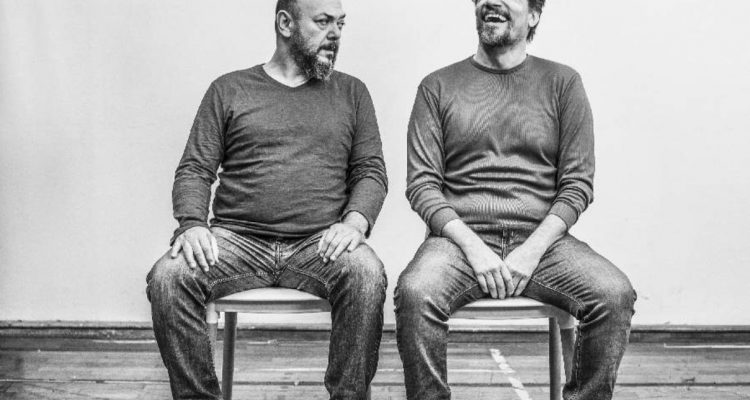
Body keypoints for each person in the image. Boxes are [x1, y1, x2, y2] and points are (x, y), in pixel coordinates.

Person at [146, 0, 388, 398]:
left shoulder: (352, 92)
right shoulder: (229, 89)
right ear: (285, 23)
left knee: (366, 273)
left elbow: (370, 172)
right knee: (169, 278)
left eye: (340, 24)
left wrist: (355, 222)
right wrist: (191, 225)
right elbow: (195, 169)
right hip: (236, 241)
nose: (335, 34)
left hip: (319, 244)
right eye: (323, 22)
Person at [395, 0, 636, 399]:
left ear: (534, 14)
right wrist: (473, 248)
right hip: (458, 243)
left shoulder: (563, 83)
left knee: (614, 294)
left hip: (542, 242)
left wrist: (531, 251)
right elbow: (422, 185)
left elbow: (577, 183)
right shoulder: (436, 87)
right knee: (415, 293)